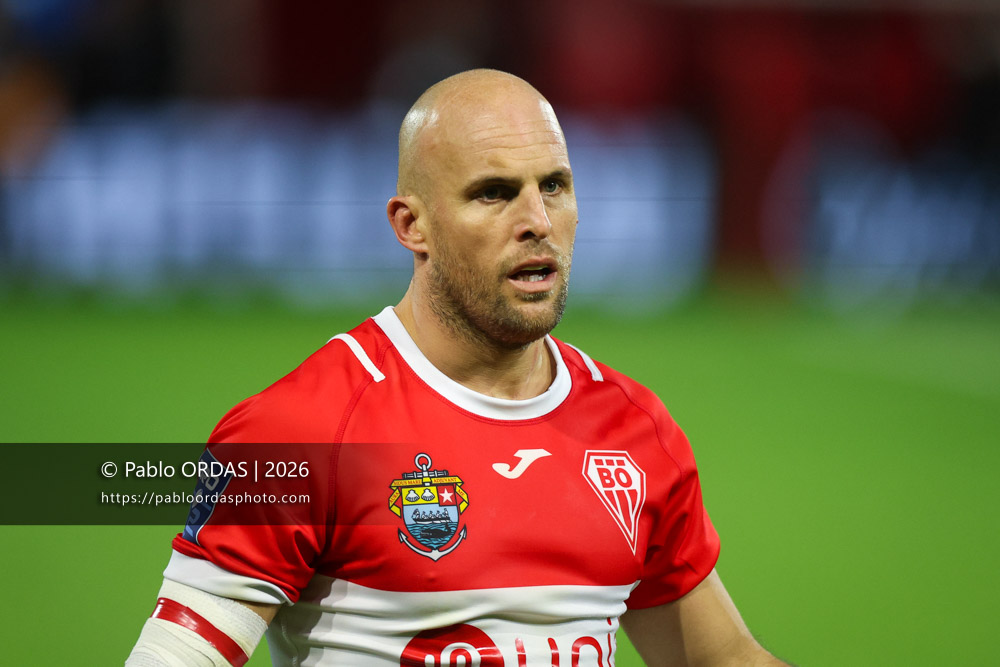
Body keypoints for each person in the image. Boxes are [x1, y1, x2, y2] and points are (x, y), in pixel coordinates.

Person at [126, 69, 789, 667]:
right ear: (411, 225)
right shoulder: (302, 430)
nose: (537, 221)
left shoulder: (633, 429)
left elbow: (724, 657)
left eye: (553, 186)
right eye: (494, 193)